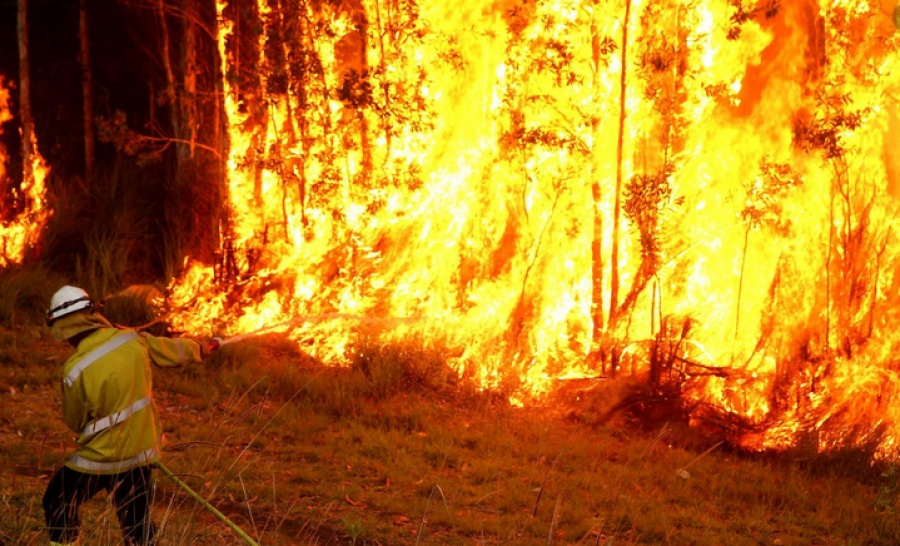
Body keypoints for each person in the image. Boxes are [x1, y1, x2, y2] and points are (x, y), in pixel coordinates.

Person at [41, 285, 220, 546]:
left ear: (64, 328)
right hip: (141, 452)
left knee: (57, 500)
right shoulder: (131, 339)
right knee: (136, 522)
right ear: (92, 314)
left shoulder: (74, 369)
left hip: (100, 458)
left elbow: (75, 421)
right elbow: (171, 350)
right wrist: (200, 348)